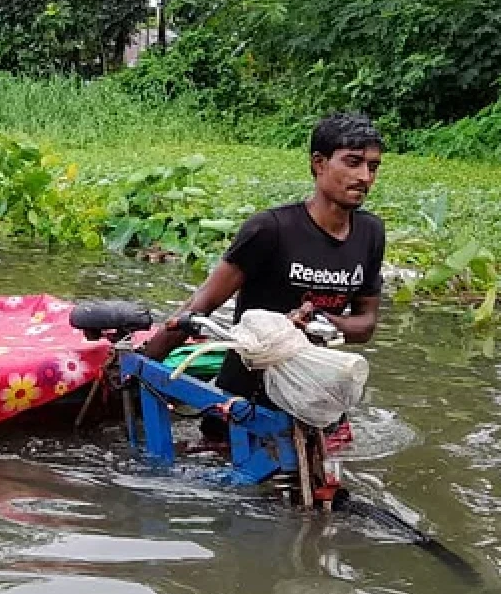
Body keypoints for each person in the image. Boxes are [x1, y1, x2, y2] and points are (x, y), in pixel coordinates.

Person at [143, 112, 387, 444]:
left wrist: (321, 321)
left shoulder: (370, 233)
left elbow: (366, 323)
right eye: (353, 163)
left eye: (373, 167)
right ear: (319, 163)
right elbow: (200, 307)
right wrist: (141, 365)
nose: (364, 177)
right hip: (245, 402)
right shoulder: (271, 229)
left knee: (331, 472)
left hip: (315, 400)